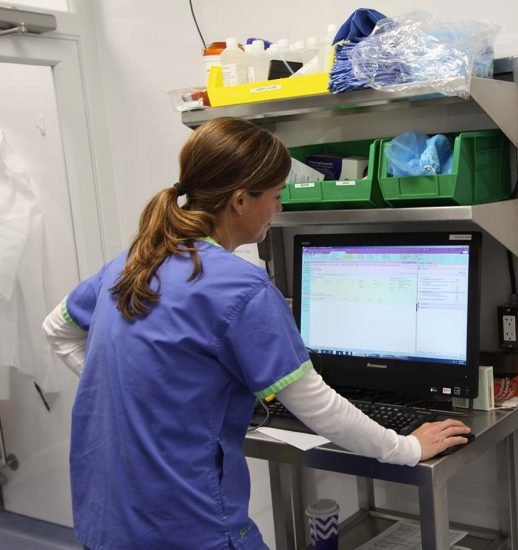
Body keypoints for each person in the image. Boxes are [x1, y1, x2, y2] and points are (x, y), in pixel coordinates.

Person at [42, 117, 471, 550]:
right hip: (186, 522)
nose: (279, 209)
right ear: (241, 201)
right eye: (277, 196)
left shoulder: (135, 259)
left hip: (107, 518)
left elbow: (58, 330)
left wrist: (137, 399)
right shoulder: (239, 288)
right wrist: (408, 449)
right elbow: (316, 406)